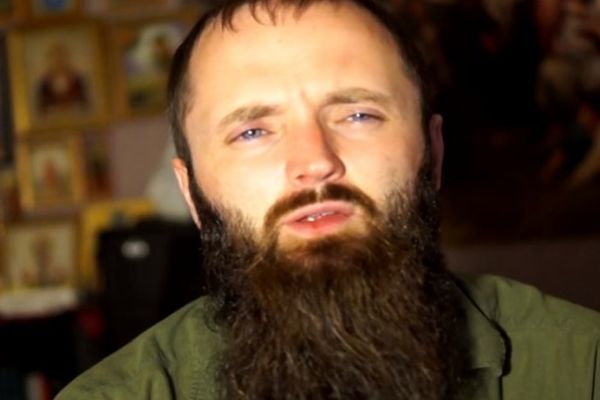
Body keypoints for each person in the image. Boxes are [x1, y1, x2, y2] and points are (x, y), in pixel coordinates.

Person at [56, 0, 600, 399]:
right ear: (192, 194)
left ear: (433, 154)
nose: (314, 161)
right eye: (252, 132)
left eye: (358, 115)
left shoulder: (586, 368)